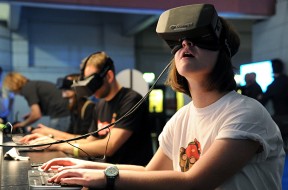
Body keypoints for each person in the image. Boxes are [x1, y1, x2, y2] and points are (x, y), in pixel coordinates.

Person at [35, 4, 285, 190]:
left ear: (224, 53)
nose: (185, 44)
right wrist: (87, 167)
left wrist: (107, 177)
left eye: (198, 39)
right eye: (180, 41)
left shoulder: (245, 113)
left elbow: (193, 182)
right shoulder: (182, 118)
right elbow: (149, 171)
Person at [21, 51, 153, 166]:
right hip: (110, 172)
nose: (91, 89)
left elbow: (110, 146)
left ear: (109, 76)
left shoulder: (131, 100)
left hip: (132, 177)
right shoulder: (100, 105)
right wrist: (52, 139)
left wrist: (59, 145)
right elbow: (88, 141)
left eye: (93, 82)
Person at [29, 73, 96, 139]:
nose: (64, 89)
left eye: (68, 84)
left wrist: (51, 132)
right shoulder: (73, 106)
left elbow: (84, 137)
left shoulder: (89, 107)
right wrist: (48, 135)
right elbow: (71, 131)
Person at [3, 72, 71, 132]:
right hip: (64, 112)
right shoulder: (31, 85)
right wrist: (31, 114)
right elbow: (46, 104)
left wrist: (21, 124)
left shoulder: (27, 89)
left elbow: (36, 115)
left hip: (61, 114)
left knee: (53, 141)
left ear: (12, 85)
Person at [258, 58, 288, 146]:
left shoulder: (273, 85)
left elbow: (263, 101)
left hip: (280, 116)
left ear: (272, 68)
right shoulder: (286, 80)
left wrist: (260, 97)